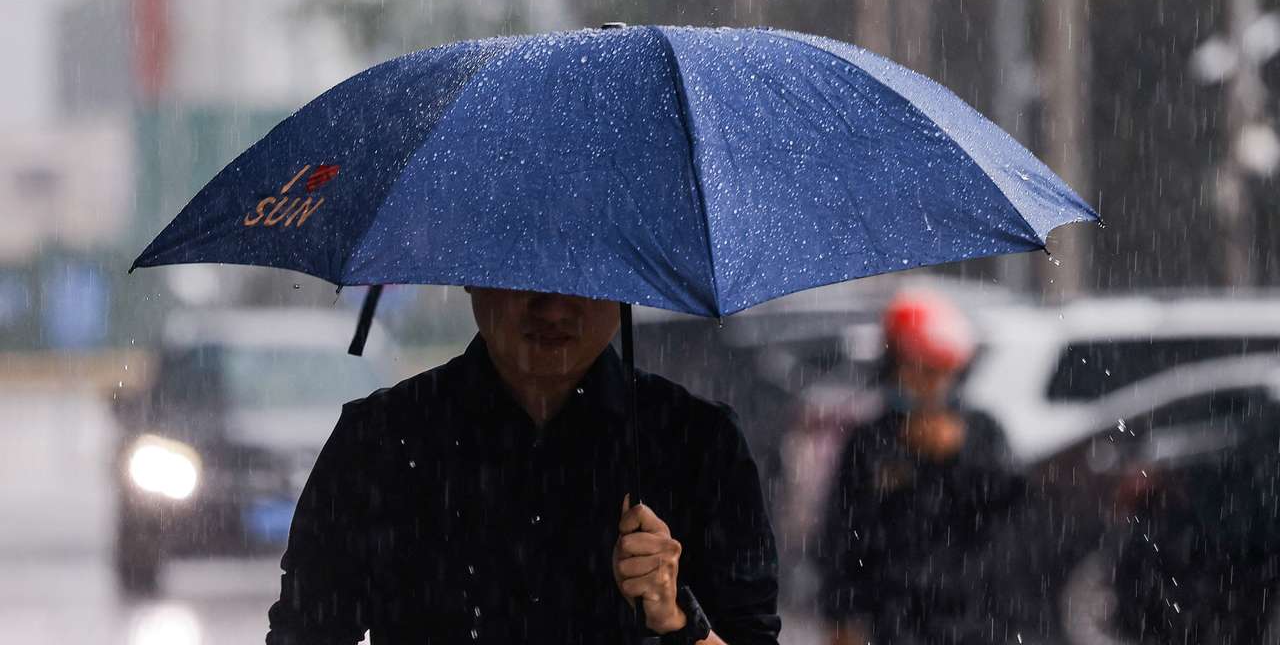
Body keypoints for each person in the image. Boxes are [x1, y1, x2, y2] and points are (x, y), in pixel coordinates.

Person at [266, 287, 781, 644]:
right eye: (524, 275)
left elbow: (751, 633)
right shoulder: (382, 439)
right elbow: (306, 632)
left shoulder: (696, 443)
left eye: (580, 273)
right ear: (470, 277)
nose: (553, 309)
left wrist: (676, 619)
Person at [817, 289, 1020, 645]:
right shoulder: (870, 440)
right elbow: (844, 533)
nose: (925, 384)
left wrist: (958, 455)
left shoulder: (983, 430)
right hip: (892, 621)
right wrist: (841, 614)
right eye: (914, 370)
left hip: (972, 617)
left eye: (936, 372)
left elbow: (1009, 512)